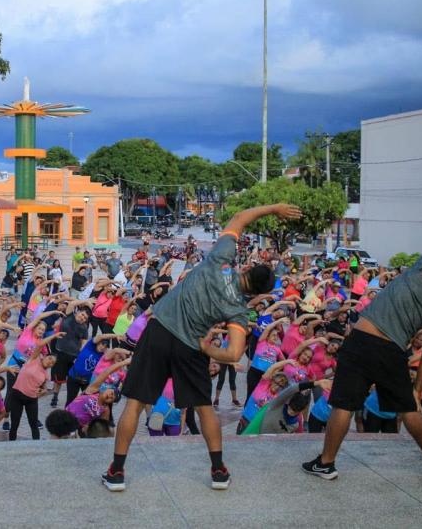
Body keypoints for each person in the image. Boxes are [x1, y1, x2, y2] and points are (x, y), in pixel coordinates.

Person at [103, 203, 302, 492]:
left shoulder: (221, 259)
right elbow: (233, 354)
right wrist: (207, 349)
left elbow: (239, 217)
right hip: (191, 346)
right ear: (257, 293)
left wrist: (275, 208)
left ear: (247, 267)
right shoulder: (238, 310)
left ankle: (117, 472)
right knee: (204, 409)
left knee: (134, 403)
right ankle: (218, 470)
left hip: (160, 330)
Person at [301, 228, 422, 481]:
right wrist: (418, 390)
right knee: (410, 409)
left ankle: (326, 463)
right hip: (391, 351)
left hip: (360, 340)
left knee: (343, 405)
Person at [8, 336, 62, 441]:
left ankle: (37, 445)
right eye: (50, 359)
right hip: (17, 395)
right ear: (45, 356)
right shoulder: (34, 359)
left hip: (31, 400)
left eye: (53, 363)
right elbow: (41, 344)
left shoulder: (46, 375)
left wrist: (44, 391)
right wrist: (55, 336)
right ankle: (11, 445)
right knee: (14, 424)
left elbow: (44, 389)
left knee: (33, 424)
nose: (50, 362)